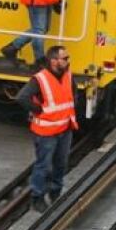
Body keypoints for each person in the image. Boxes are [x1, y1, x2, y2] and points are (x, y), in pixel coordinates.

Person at [16, 45, 80, 212]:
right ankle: (37, 197)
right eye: (64, 58)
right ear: (53, 61)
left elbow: (74, 94)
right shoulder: (40, 79)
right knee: (43, 165)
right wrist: (39, 110)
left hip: (65, 128)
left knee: (60, 163)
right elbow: (22, 98)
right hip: (46, 133)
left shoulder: (68, 76)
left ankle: (55, 192)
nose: (68, 61)